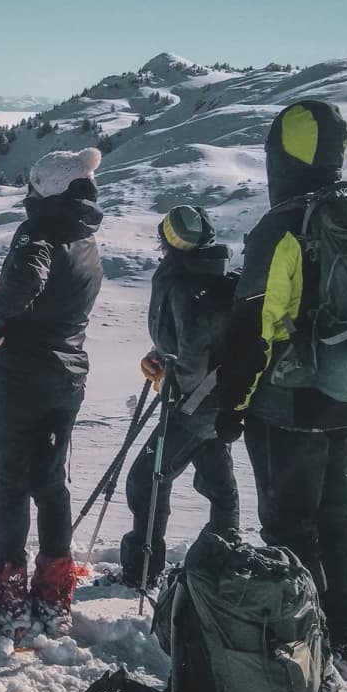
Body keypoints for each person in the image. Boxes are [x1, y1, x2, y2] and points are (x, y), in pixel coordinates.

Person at [215, 100, 347, 683]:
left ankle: (312, 645)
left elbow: (256, 328)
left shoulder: (281, 224)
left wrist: (233, 405)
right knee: (338, 510)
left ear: (280, 153)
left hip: (288, 404)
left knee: (288, 524)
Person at [0, 147, 104, 636]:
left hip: (22, 379)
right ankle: (53, 594)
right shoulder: (87, 238)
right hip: (67, 377)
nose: (27, 193)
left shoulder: (39, 233)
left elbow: (26, 282)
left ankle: (7, 599)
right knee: (51, 483)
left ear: (47, 189)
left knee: (10, 483)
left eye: (32, 185)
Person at [122, 205, 239, 588]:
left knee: (146, 479)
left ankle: (143, 569)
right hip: (215, 405)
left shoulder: (188, 284)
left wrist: (172, 379)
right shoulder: (211, 277)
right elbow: (195, 343)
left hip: (194, 406)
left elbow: (194, 352)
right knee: (218, 485)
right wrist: (159, 357)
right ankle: (220, 562)